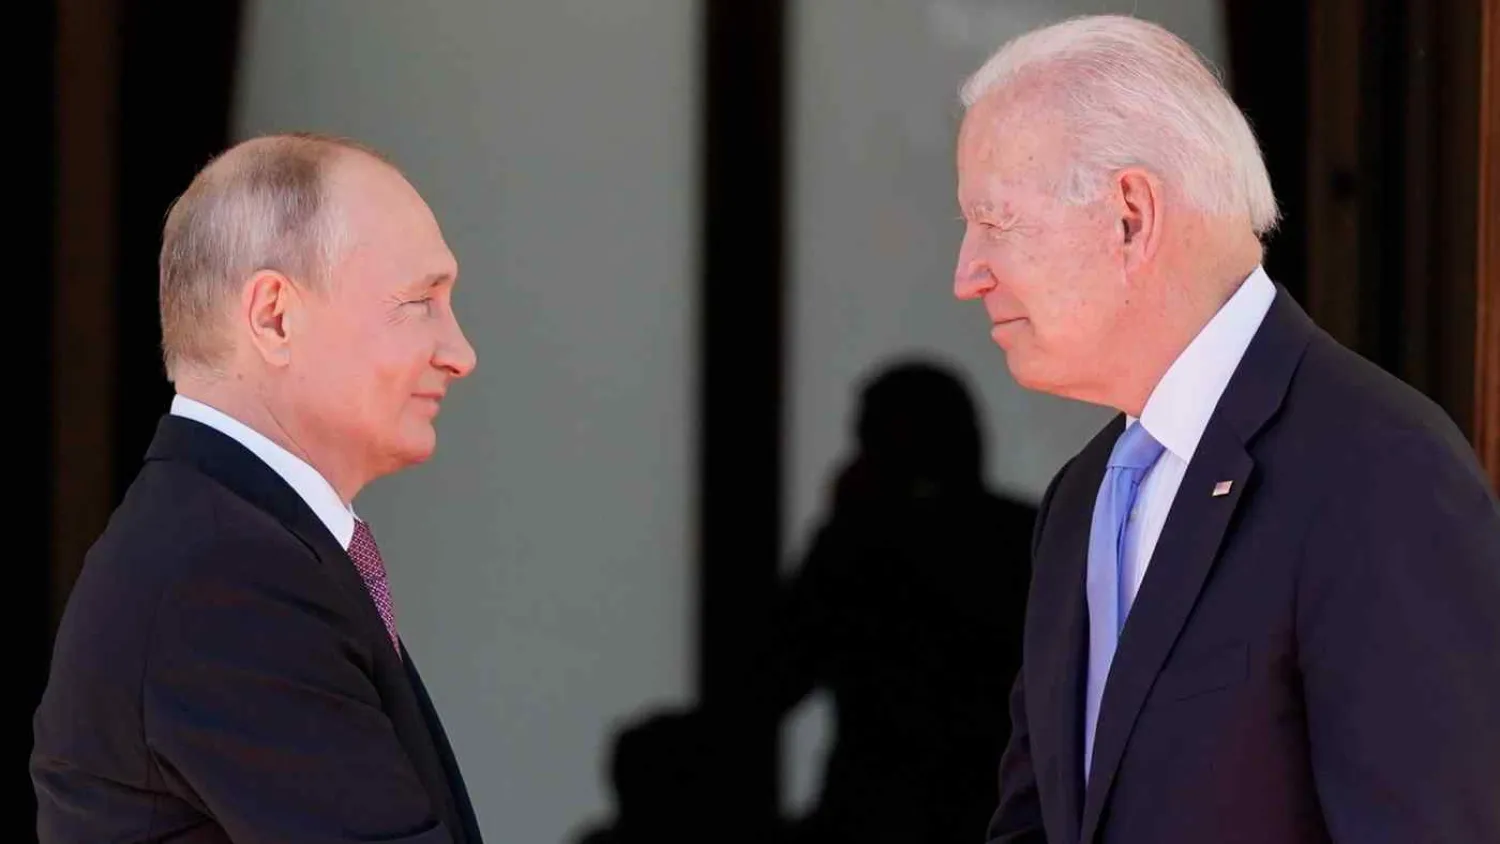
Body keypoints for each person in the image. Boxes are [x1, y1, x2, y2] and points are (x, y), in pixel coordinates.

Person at [952, 15, 1500, 844]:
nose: (969, 274)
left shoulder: (1379, 473)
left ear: (1131, 216)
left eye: (995, 221)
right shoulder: (1082, 500)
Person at [32, 133, 483, 843]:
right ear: (275, 316)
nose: (460, 354)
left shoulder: (231, 543)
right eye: (420, 301)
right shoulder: (225, 573)